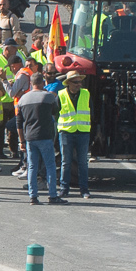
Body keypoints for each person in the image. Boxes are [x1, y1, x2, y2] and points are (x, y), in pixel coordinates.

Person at [18, 75, 63, 205]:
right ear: (42, 83)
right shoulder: (48, 97)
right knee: (50, 166)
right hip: (45, 135)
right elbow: (55, 110)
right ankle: (53, 196)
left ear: (31, 83)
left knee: (32, 166)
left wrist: (21, 140)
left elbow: (19, 122)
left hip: (30, 137)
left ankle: (33, 196)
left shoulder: (23, 99)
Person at [57, 70, 93, 199]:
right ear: (68, 83)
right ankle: (64, 189)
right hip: (66, 132)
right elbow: (56, 113)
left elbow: (91, 112)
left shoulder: (86, 94)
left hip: (83, 132)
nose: (79, 84)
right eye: (76, 82)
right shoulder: (61, 95)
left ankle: (84, 189)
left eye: (80, 81)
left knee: (83, 162)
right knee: (66, 162)